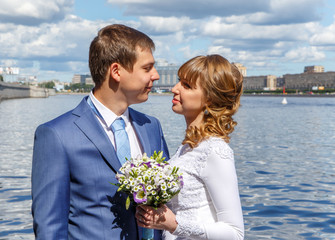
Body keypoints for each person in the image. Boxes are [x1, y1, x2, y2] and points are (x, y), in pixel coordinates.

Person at [31, 24, 169, 239]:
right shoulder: (57, 135)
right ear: (116, 71)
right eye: (147, 68)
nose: (156, 75)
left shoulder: (151, 127)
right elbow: (50, 226)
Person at [135, 55, 244, 239]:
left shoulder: (215, 150)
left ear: (210, 99)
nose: (174, 88)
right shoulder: (187, 147)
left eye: (186, 85)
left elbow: (235, 233)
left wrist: (174, 224)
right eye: (179, 81)